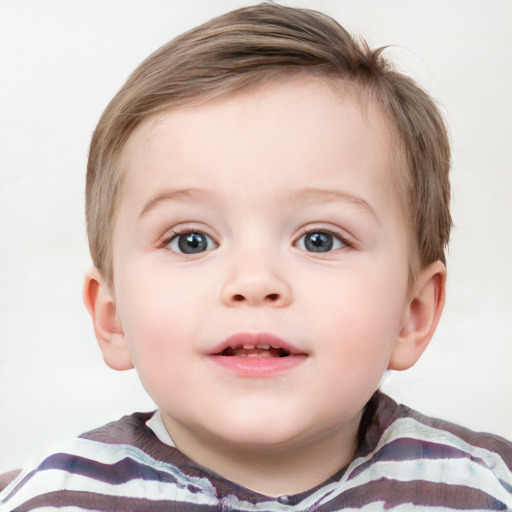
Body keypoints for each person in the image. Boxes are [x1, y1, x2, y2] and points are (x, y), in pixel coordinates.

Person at [1, 3, 511, 510]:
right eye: (191, 240)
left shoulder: (486, 488)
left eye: (320, 240)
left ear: (412, 314)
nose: (254, 281)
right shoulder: (49, 498)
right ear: (112, 319)